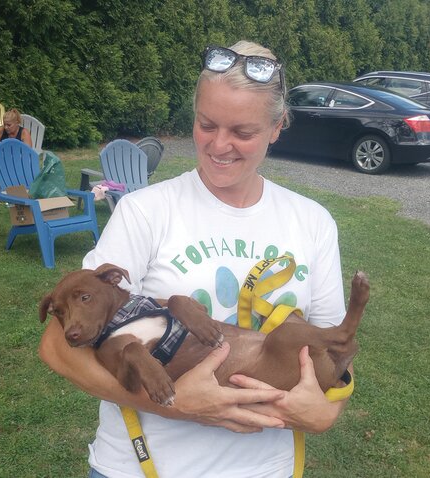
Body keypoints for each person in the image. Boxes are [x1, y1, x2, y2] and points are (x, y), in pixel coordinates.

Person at [39, 41, 351, 478]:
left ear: (277, 126)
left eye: (242, 132)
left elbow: (335, 346)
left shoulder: (312, 222)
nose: (219, 145)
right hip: (143, 467)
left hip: (267, 469)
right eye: (207, 125)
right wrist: (175, 405)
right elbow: (57, 347)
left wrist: (328, 410)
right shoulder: (146, 212)